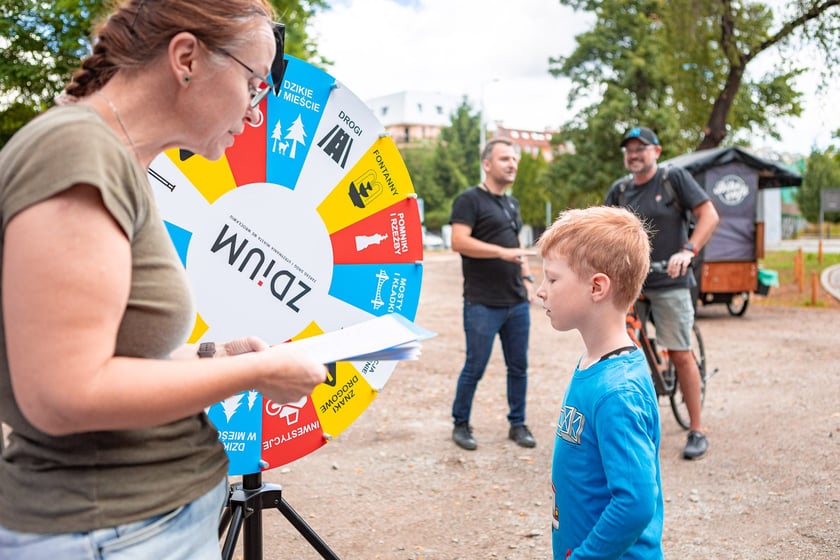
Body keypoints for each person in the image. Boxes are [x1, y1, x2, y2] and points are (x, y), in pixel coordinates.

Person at [0, 1, 327, 558]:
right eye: (255, 84)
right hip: (110, 530)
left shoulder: (114, 157)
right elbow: (64, 394)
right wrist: (257, 370)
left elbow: (110, 359)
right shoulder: (77, 151)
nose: (256, 112)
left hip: (136, 525)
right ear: (186, 59)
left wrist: (214, 356)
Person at [536, 206, 663, 559]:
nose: (540, 291)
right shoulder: (594, 362)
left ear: (597, 287)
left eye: (552, 279)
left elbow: (636, 503)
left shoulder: (617, 392)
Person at [604, 126, 720, 460]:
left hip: (670, 282)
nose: (634, 154)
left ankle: (697, 429)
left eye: (641, 148)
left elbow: (709, 215)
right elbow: (604, 229)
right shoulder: (621, 190)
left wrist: (688, 251)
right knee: (623, 352)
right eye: (629, 149)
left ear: (657, 151)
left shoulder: (673, 179)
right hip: (632, 286)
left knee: (681, 352)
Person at [449, 138, 537, 451]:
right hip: (482, 303)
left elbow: (517, 245)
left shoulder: (512, 204)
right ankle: (461, 423)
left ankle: (518, 423)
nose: (512, 164)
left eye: (514, 159)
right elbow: (459, 241)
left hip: (516, 302)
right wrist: (500, 252)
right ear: (487, 164)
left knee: (519, 367)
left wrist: (527, 279)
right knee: (475, 366)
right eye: (504, 159)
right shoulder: (468, 200)